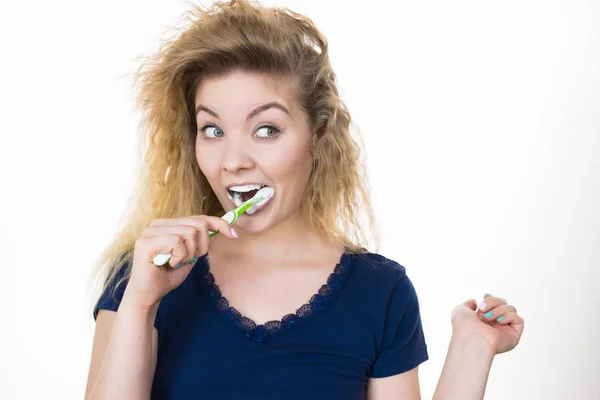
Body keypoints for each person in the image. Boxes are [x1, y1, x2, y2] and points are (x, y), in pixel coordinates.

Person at [85, 0, 524, 399]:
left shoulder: (379, 293)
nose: (233, 161)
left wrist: (473, 347)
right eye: (213, 130)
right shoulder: (144, 274)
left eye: (266, 129)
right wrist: (140, 305)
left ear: (317, 134)